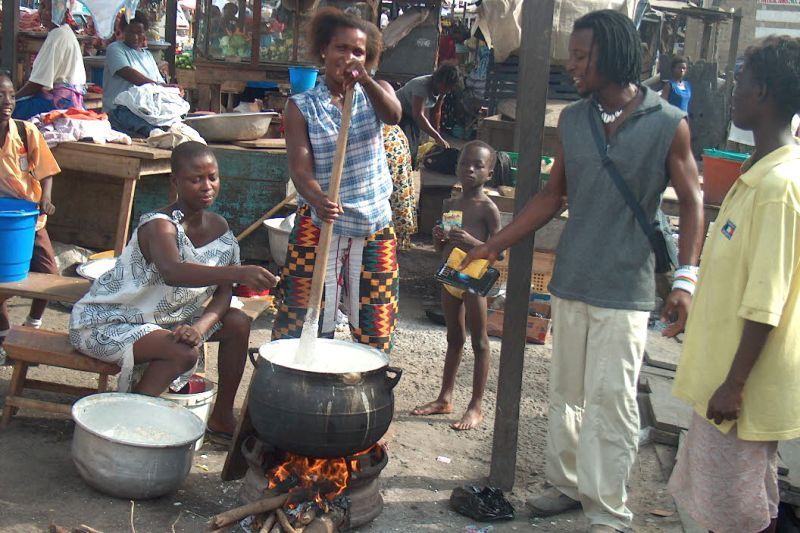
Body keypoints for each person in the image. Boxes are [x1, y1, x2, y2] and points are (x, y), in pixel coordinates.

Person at [463, 10, 703, 532]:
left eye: (579, 55)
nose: (570, 65)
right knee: (566, 394)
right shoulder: (573, 121)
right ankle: (567, 484)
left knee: (612, 404)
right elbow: (553, 196)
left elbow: (691, 200)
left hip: (627, 290)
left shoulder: (667, 123)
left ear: (611, 57)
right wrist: (494, 244)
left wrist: (686, 278)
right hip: (573, 281)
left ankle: (607, 512)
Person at [668, 36, 800, 533]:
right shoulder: (758, 175)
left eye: (739, 83)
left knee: (735, 511)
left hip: (740, 386)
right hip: (724, 375)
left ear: (762, 93)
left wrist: (736, 384)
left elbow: (767, 300)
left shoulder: (778, 187)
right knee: (737, 501)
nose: (732, 92)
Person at [69, 142, 277, 439]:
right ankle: (125, 425)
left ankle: (221, 416)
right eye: (196, 179)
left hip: (165, 321)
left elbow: (223, 292)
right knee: (182, 353)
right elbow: (173, 271)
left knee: (237, 322)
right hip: (108, 322)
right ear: (175, 182)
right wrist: (240, 271)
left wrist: (200, 325)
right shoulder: (160, 226)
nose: (207, 186)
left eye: (213, 177)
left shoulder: (220, 227)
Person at [271, 7, 402, 353]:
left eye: (358, 51)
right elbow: (301, 171)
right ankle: (295, 384)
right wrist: (318, 199)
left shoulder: (376, 93)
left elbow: (394, 114)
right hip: (320, 221)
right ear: (324, 51)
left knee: (375, 320)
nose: (349, 57)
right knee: (303, 316)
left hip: (374, 224)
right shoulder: (302, 105)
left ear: (368, 57)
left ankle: (368, 390)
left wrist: (366, 80)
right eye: (341, 48)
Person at [411, 141, 500, 430]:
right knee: (454, 338)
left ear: (490, 172)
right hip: (451, 278)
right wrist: (439, 235)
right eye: (465, 164)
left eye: (478, 166)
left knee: (480, 342)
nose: (470, 170)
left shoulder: (488, 208)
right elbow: (440, 249)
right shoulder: (451, 204)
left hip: (474, 279)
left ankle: (476, 406)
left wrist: (474, 243)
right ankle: (445, 398)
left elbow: (498, 252)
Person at [0, 70, 61, 362]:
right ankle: (4, 338)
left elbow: (46, 170)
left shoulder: (26, 131)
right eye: (1, 96)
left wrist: (45, 198)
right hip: (3, 221)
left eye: (11, 95)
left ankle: (32, 326)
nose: (7, 102)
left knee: (49, 276)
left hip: (29, 220)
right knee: (3, 280)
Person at [102, 12, 181, 137]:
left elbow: (159, 85)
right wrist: (159, 86)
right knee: (155, 133)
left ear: (145, 33)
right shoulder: (115, 49)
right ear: (123, 31)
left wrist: (172, 89)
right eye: (131, 32)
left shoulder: (147, 56)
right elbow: (128, 73)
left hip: (143, 112)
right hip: (118, 112)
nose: (135, 37)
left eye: (139, 32)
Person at [14, 0, 86, 120]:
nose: (44, 12)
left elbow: (37, 84)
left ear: (64, 12)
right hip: (71, 102)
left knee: (8, 110)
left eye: (51, 8)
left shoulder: (57, 35)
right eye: (42, 6)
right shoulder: (64, 32)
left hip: (58, 105)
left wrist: (13, 98)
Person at [396, 62, 461, 162]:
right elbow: (418, 115)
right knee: (405, 148)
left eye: (450, 88)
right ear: (438, 80)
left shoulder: (442, 90)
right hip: (397, 113)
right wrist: (436, 137)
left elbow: (436, 112)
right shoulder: (421, 86)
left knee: (413, 149)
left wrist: (437, 135)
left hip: (411, 116)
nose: (447, 91)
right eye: (446, 87)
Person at [383, 124, 417, 250]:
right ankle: (396, 240)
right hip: (394, 139)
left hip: (386, 144)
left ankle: (389, 242)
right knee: (397, 191)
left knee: (388, 195)